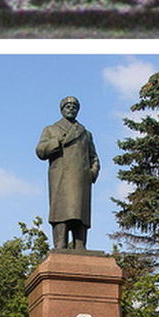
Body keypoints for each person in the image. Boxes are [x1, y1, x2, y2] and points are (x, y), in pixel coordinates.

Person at [34, 95, 100, 249]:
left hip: (81, 179)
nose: (71, 108)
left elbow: (94, 157)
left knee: (80, 213)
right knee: (61, 213)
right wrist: (56, 142)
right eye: (68, 106)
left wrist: (91, 173)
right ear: (62, 109)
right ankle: (60, 245)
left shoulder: (85, 133)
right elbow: (40, 151)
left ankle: (80, 246)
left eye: (74, 106)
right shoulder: (51, 129)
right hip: (61, 179)